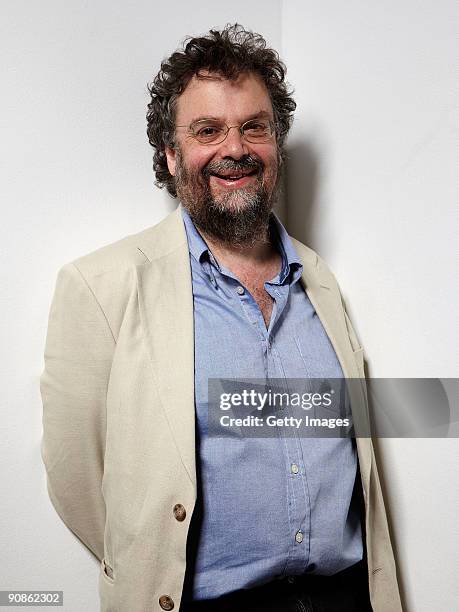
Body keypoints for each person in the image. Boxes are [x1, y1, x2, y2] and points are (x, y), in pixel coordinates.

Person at [40, 24, 402, 612]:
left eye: (254, 127)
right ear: (172, 154)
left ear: (275, 144)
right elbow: (76, 476)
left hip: (345, 596)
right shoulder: (102, 286)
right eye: (208, 130)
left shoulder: (322, 282)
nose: (235, 148)